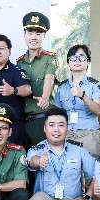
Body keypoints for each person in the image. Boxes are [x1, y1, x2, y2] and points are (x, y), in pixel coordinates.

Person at [26, 107, 97, 200]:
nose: (56, 130)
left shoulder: (79, 150)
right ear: (45, 128)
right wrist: (39, 161)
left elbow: (96, 175)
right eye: (51, 125)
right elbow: (31, 161)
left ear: (67, 128)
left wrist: (87, 197)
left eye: (61, 125)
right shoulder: (37, 149)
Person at [17, 12, 60, 147]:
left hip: (42, 119)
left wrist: (45, 97)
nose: (34, 37)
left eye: (38, 34)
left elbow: (49, 79)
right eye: (30, 33)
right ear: (24, 35)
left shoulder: (50, 58)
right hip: (23, 122)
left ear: (44, 36)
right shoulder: (19, 62)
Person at [54, 44, 100, 158]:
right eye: (73, 57)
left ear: (88, 62)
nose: (77, 60)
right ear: (68, 62)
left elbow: (97, 110)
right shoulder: (62, 87)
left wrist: (83, 95)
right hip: (67, 135)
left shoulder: (95, 85)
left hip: (88, 133)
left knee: (91, 167)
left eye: (81, 57)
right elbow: (57, 114)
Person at [0, 34, 32, 145]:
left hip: (12, 128)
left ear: (9, 51)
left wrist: (13, 90)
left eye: (1, 48)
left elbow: (28, 89)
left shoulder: (16, 71)